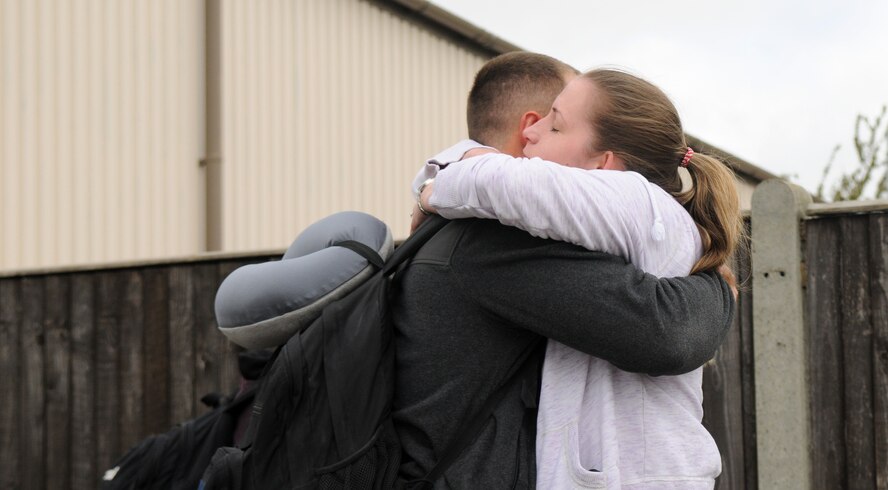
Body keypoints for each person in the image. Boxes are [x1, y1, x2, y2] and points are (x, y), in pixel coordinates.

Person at [393, 52, 736, 488]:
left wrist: (433, 186)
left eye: (556, 125)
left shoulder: (633, 199)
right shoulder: (499, 239)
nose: (531, 132)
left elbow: (502, 182)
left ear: (603, 166)